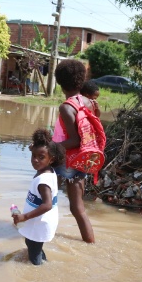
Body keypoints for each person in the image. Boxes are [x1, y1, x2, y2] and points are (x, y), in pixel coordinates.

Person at [52, 59, 96, 243]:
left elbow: (74, 139)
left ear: (60, 83)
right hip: (82, 159)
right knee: (78, 208)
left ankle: (35, 233)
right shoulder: (89, 102)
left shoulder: (66, 106)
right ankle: (90, 243)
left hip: (65, 160)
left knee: (45, 196)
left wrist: (50, 148)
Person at [12, 129, 65, 265]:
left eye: (41, 157)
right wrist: (35, 148)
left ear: (51, 159)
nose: (35, 160)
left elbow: (47, 204)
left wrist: (24, 217)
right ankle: (44, 261)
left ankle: (38, 269)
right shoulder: (48, 170)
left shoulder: (43, 181)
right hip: (40, 220)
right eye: (33, 156)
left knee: (33, 251)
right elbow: (38, 151)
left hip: (39, 222)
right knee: (32, 243)